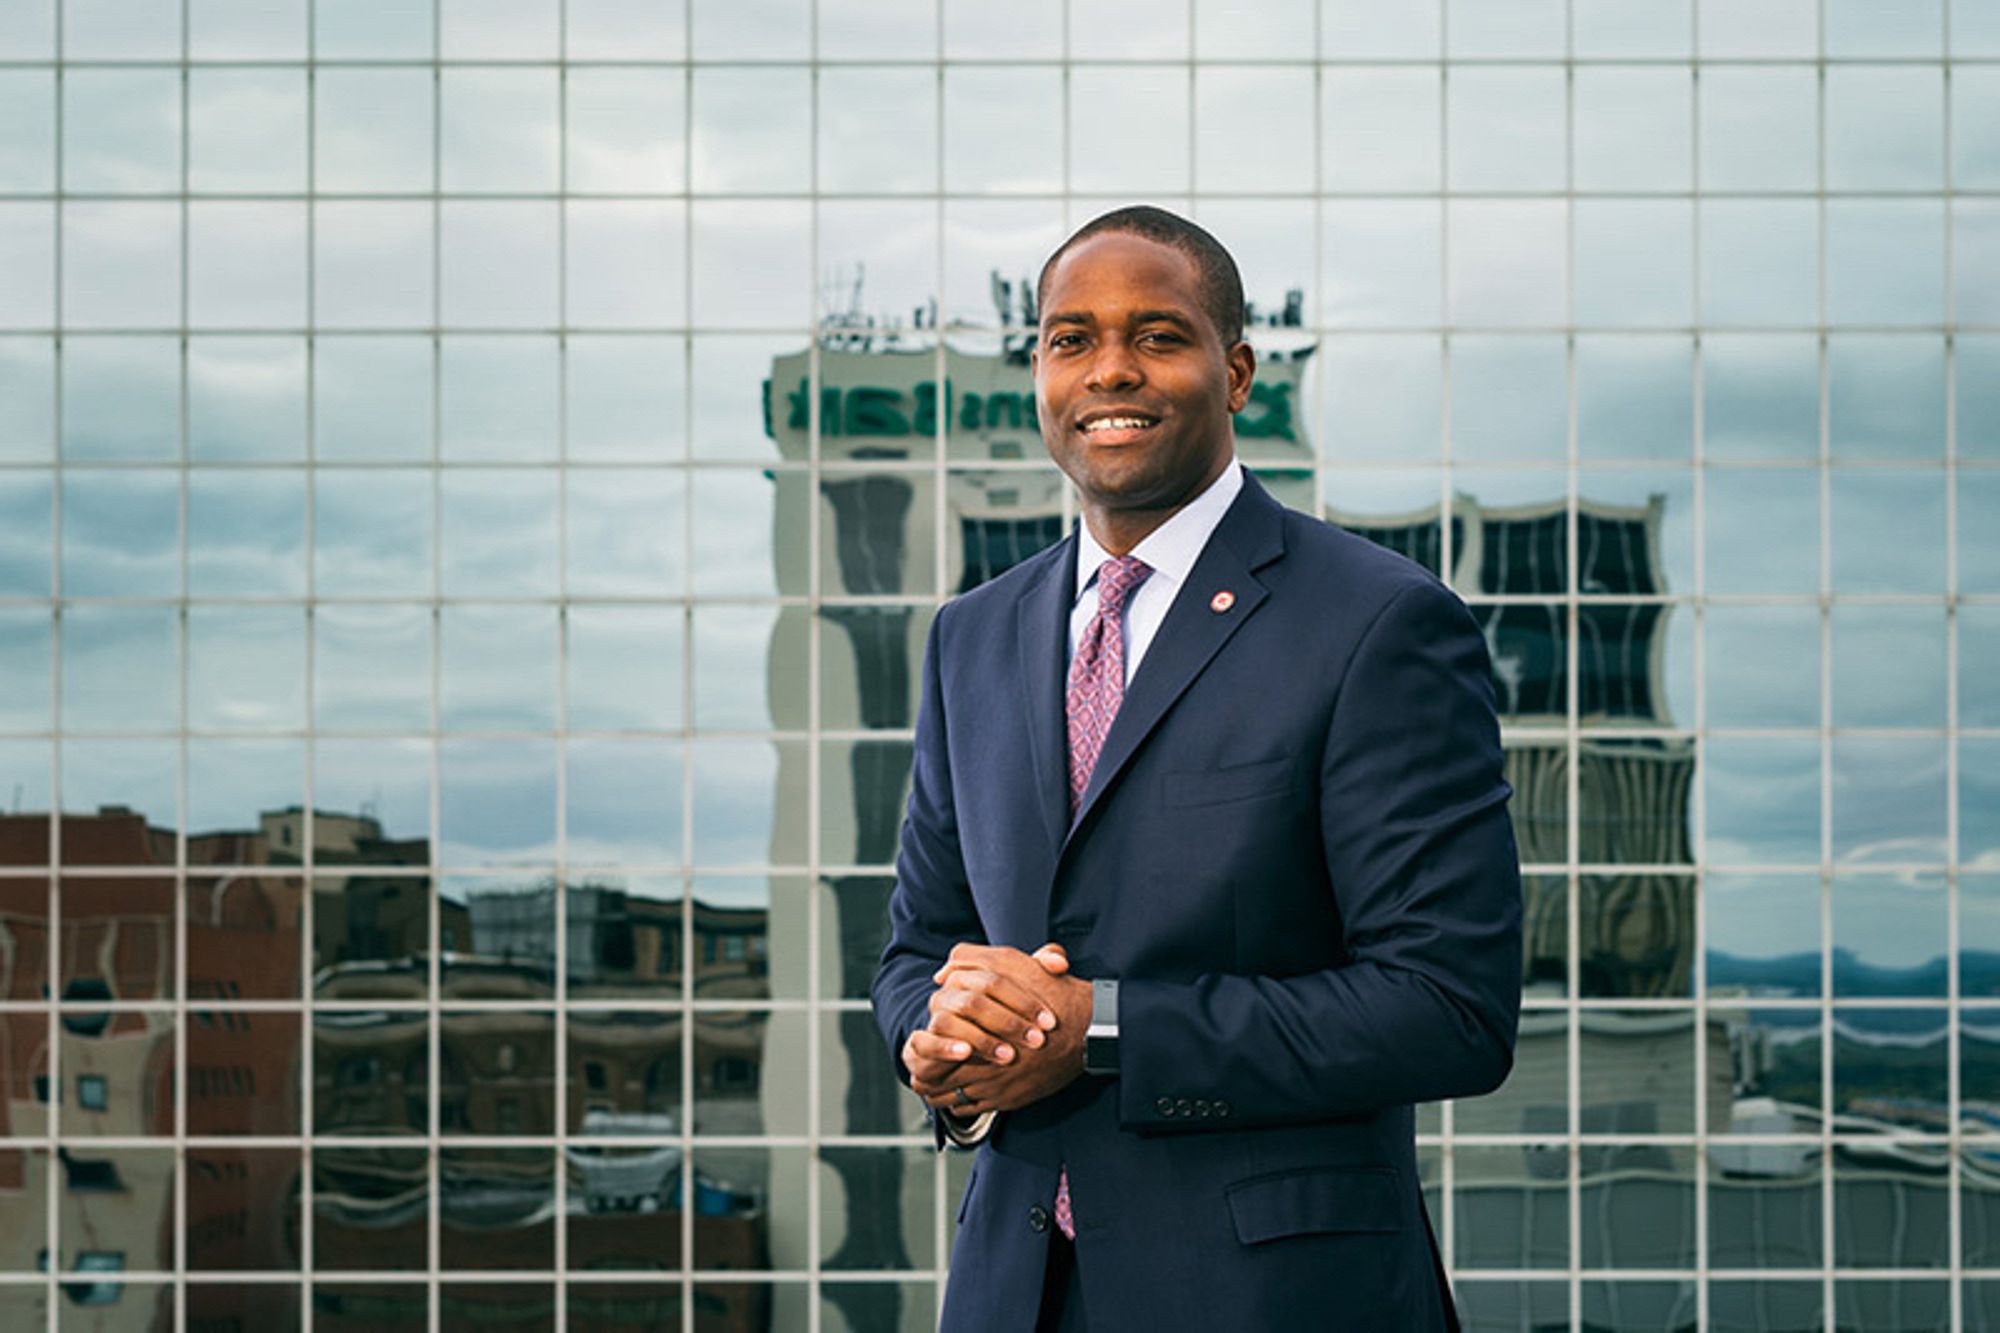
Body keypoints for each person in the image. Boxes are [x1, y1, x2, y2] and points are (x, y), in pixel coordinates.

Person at [871, 206, 1522, 1332]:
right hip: (1010, 1293)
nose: (1108, 370)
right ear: (1038, 369)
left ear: (1236, 372)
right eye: (1068, 338)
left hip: (1273, 1296)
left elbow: (1447, 1005)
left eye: (1156, 335)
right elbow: (915, 951)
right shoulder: (968, 634)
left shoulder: (1378, 624)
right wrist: (943, 1047)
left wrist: (1104, 1027)